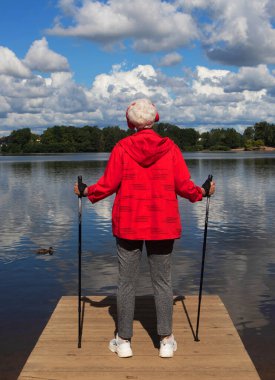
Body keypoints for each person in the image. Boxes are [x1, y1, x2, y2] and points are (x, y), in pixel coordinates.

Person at [74, 98, 215, 358]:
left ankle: (124, 341)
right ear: (155, 118)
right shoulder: (170, 148)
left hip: (128, 223)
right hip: (162, 224)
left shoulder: (121, 148)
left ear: (130, 123)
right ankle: (165, 341)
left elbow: (108, 184)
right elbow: (184, 186)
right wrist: (202, 192)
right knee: (162, 282)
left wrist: (85, 191)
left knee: (126, 283)